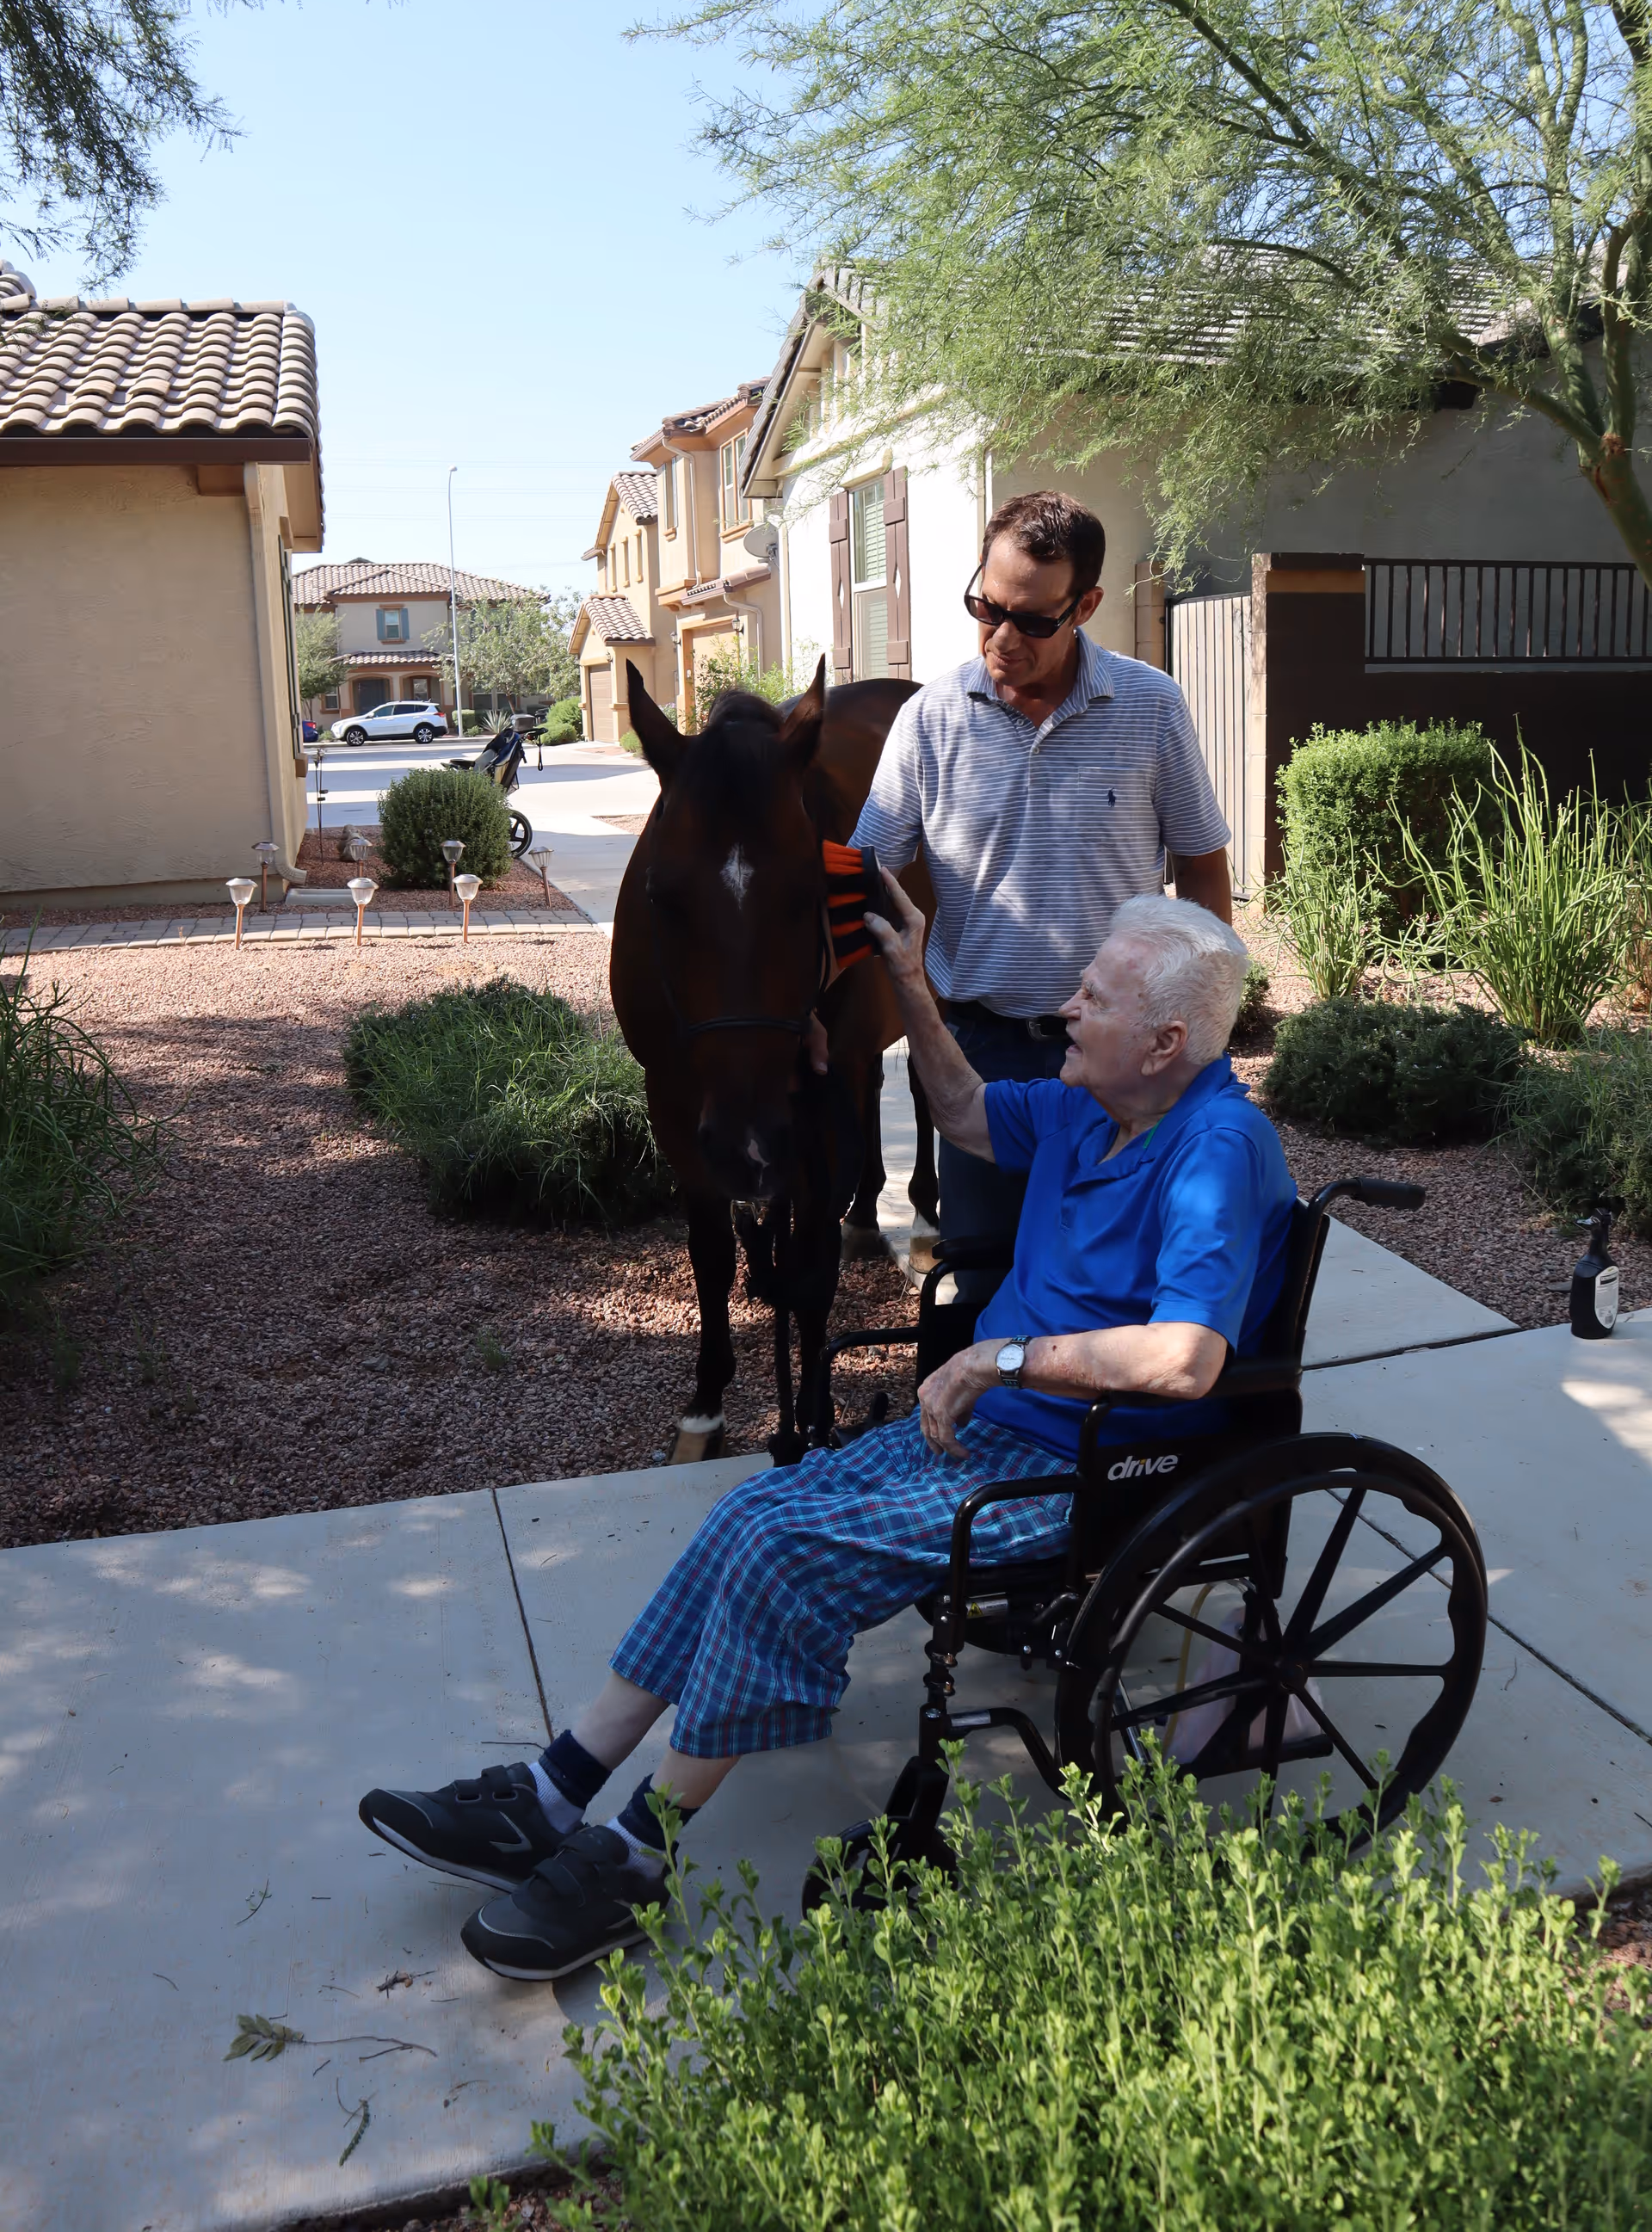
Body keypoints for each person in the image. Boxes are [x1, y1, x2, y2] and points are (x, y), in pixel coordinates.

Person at [358, 892, 1294, 1982]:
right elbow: (967, 1113)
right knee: (752, 1509)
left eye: (1093, 996)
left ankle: (633, 1854)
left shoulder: (1215, 1151)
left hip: (1088, 1464)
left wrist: (999, 1360)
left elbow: (1186, 1359)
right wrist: (910, 984)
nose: (1067, 1007)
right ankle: (553, 1790)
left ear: (1167, 1041)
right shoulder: (1103, 1107)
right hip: (997, 1430)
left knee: (782, 1556)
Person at [850, 489, 1232, 1287]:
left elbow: (1200, 865)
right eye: (986, 607)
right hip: (981, 1048)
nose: (1001, 637)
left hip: (1120, 1052)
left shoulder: (1152, 707)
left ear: (1086, 605)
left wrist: (1199, 1031)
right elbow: (867, 876)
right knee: (984, 1272)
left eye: (1033, 621)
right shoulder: (931, 720)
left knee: (1114, 1274)